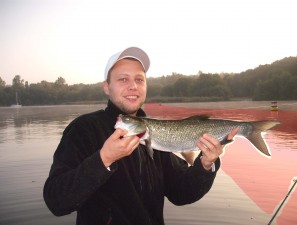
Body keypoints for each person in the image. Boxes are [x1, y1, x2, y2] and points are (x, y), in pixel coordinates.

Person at [43, 47, 238, 225]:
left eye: (139, 79)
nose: (133, 86)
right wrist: (103, 160)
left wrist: (205, 166)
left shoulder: (157, 134)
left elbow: (181, 194)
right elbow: (56, 201)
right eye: (123, 79)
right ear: (106, 87)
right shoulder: (84, 129)